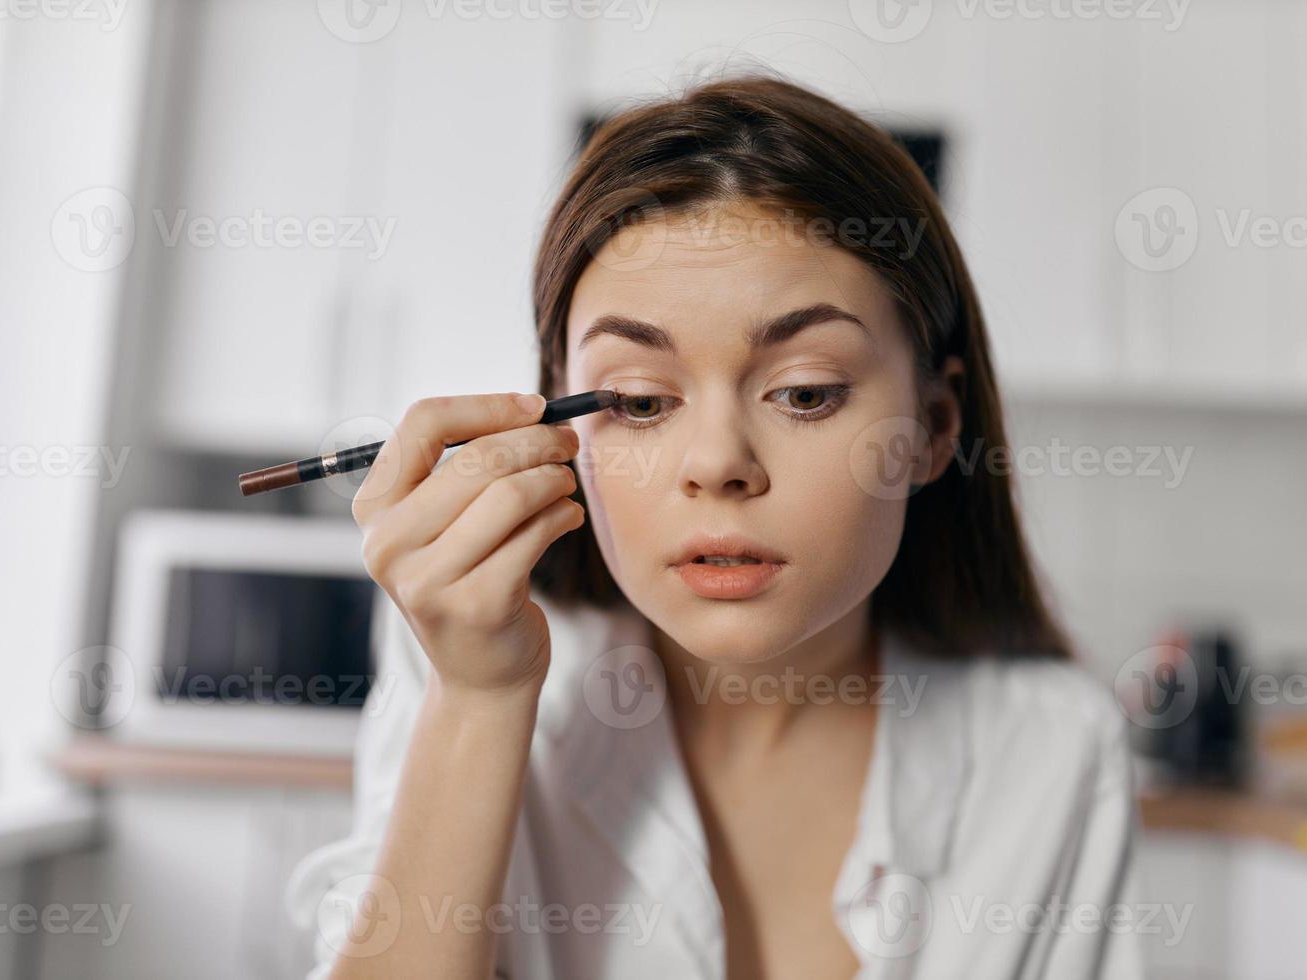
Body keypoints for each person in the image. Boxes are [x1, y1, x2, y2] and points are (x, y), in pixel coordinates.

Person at [285, 73, 1145, 980]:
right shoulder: (464, 656)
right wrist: (479, 701)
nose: (716, 462)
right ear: (562, 425)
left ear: (934, 427)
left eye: (805, 392)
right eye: (641, 399)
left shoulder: (1054, 748)